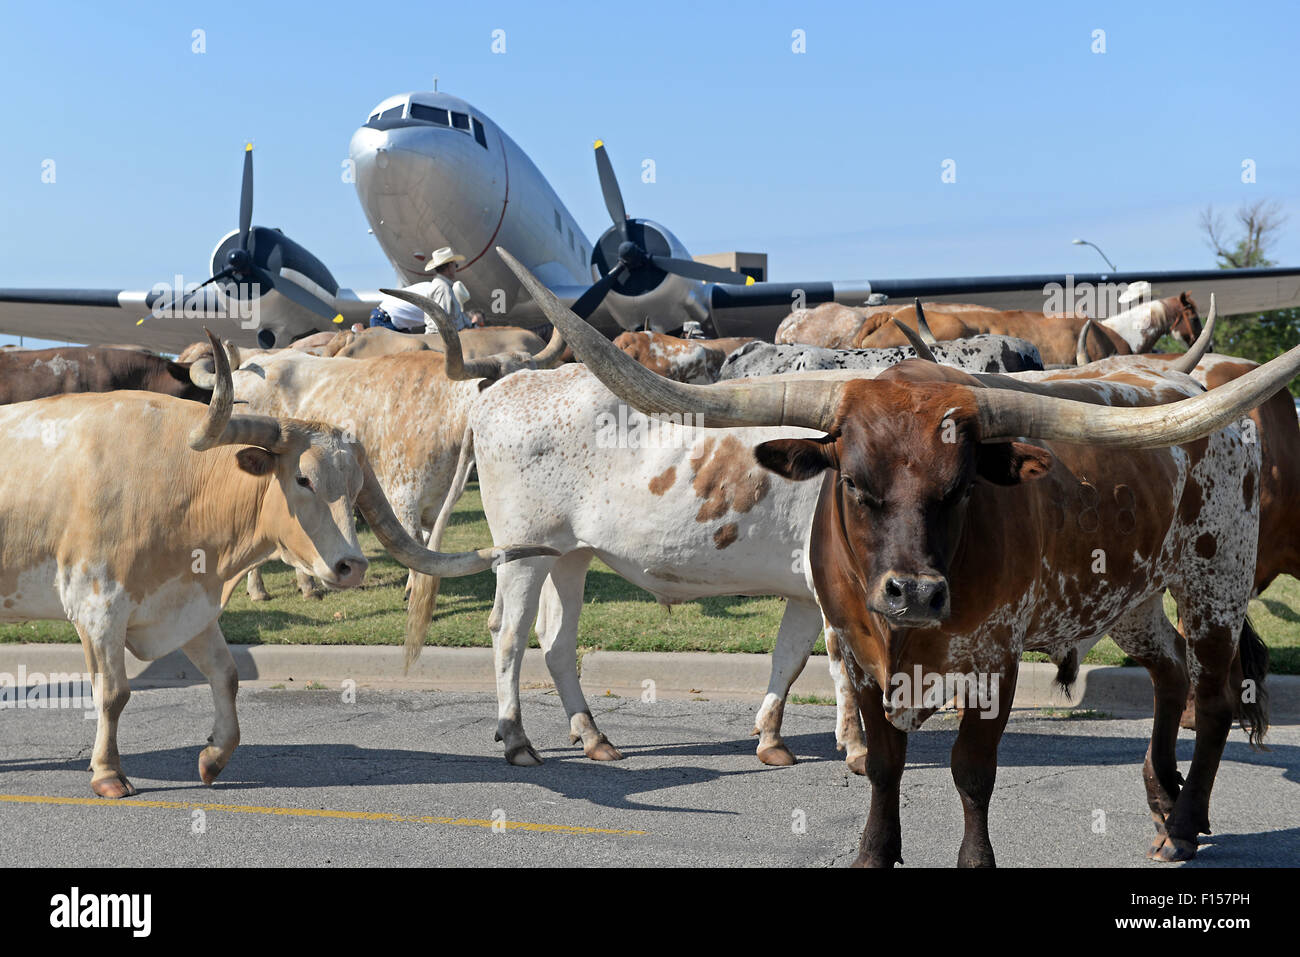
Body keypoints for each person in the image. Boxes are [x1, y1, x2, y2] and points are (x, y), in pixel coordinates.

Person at [367, 246, 472, 333]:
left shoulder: (434, 286)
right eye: (455, 265)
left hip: (390, 319)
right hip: (386, 320)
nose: (456, 268)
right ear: (449, 266)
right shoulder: (442, 288)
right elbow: (442, 322)